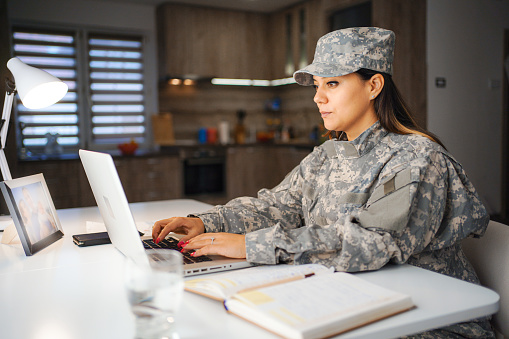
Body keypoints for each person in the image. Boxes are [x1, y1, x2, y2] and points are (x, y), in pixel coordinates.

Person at [153, 27, 494, 337]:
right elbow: (278, 205)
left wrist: (248, 246)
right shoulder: (327, 155)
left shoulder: (418, 157)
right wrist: (206, 222)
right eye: (317, 86)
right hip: (354, 302)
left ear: (373, 85)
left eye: (332, 83)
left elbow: (372, 243)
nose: (318, 98)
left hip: (429, 323)